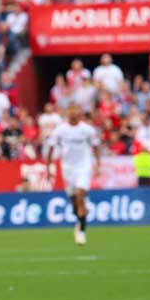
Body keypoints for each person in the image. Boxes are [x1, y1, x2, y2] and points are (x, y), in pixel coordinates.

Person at [46, 103, 101, 246]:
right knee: (74, 202)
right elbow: (51, 149)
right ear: (67, 113)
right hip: (67, 168)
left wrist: (98, 164)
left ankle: (81, 231)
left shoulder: (87, 130)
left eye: (76, 110)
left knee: (79, 194)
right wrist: (48, 169)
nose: (73, 113)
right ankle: (80, 217)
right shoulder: (60, 131)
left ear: (80, 113)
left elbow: (95, 146)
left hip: (83, 166)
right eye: (71, 110)